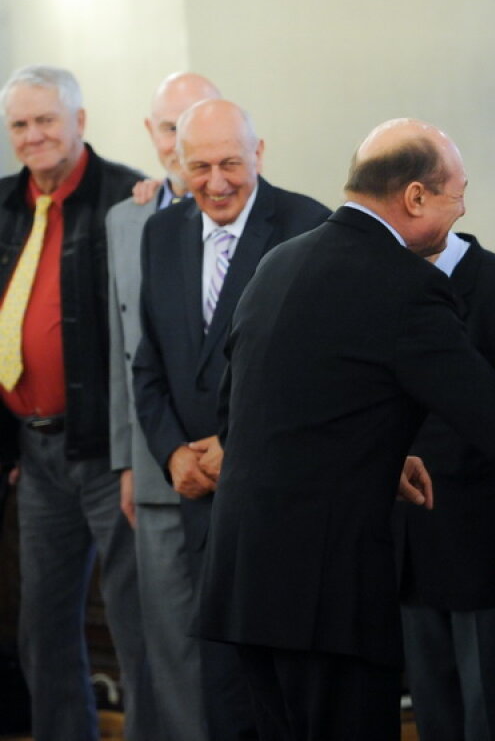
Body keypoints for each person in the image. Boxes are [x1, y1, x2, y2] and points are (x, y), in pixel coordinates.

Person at [192, 118, 495, 739]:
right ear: (414, 197)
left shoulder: (278, 262)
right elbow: (493, 419)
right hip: (326, 593)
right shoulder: (406, 286)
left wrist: (384, 454)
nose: (460, 214)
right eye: (456, 196)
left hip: (245, 581)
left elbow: (246, 412)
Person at [132, 97, 329, 739]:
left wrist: (234, 446)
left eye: (230, 164)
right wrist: (171, 455)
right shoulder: (160, 233)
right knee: (221, 678)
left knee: (289, 686)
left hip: (281, 502)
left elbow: (319, 375)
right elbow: (149, 364)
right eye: (199, 167)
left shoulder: (307, 226)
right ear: (176, 163)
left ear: (259, 154)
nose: (215, 183)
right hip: (197, 497)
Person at [0, 65, 151, 740]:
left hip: (108, 453)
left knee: (136, 623)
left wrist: (133, 456)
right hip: (34, 453)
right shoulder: (4, 203)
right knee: (42, 625)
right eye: (19, 125)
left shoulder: (128, 199)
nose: (32, 136)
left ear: (80, 122)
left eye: (45, 121)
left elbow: (143, 339)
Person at [392, 226, 495, 741]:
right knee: (434, 713)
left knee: (492, 712)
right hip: (405, 540)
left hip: (480, 541)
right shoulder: (381, 281)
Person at [107, 72, 220, 741]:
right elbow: (121, 345)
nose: (179, 142)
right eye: (168, 128)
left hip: (237, 461)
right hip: (155, 464)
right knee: (171, 645)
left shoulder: (256, 209)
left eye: (193, 124)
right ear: (151, 136)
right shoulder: (127, 217)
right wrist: (129, 457)